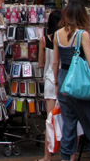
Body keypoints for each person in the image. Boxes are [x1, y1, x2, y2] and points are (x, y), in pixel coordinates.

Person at [53, 0, 90, 161]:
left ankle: (65, 158)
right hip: (80, 83)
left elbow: (56, 62)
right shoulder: (82, 34)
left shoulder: (57, 34)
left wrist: (56, 83)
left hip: (64, 81)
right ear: (82, 16)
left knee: (68, 126)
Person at [38, 9, 62, 161]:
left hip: (49, 80)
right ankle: (68, 155)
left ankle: (47, 156)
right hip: (64, 80)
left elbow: (40, 63)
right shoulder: (66, 38)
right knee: (66, 119)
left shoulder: (44, 40)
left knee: (50, 119)